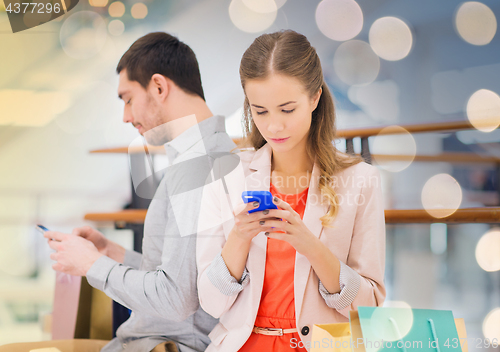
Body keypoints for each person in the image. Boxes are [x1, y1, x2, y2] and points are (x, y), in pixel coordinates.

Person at [1, 32, 234, 352]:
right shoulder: (206, 154)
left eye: (127, 99)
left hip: (164, 345)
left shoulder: (197, 165)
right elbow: (188, 278)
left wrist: (92, 266)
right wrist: (113, 253)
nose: (126, 116)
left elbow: (178, 300)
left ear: (159, 87)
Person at [196, 30, 386, 352]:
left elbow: (368, 307)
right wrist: (239, 238)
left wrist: (310, 246)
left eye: (287, 110)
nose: (273, 127)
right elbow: (211, 303)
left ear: (314, 98)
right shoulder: (226, 177)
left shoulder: (360, 180)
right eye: (260, 111)